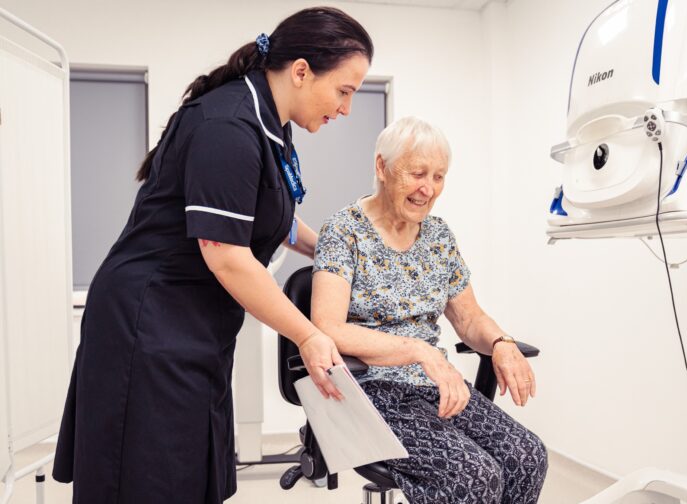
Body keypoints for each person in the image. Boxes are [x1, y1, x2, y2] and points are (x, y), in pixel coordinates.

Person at [52, 7, 373, 503]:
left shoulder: (272, 125)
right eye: (344, 92)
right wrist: (307, 334)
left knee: (191, 476)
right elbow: (226, 255)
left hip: (194, 324)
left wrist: (343, 251)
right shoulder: (227, 125)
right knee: (148, 481)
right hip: (148, 322)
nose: (347, 109)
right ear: (302, 71)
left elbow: (272, 218)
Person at [312, 117, 548, 504]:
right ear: (382, 168)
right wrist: (418, 351)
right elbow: (328, 327)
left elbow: (469, 317)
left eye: (439, 177)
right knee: (475, 476)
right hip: (372, 392)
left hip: (436, 386)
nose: (428, 189)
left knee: (528, 457)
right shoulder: (343, 231)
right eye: (418, 173)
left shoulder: (439, 236)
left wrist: (501, 342)